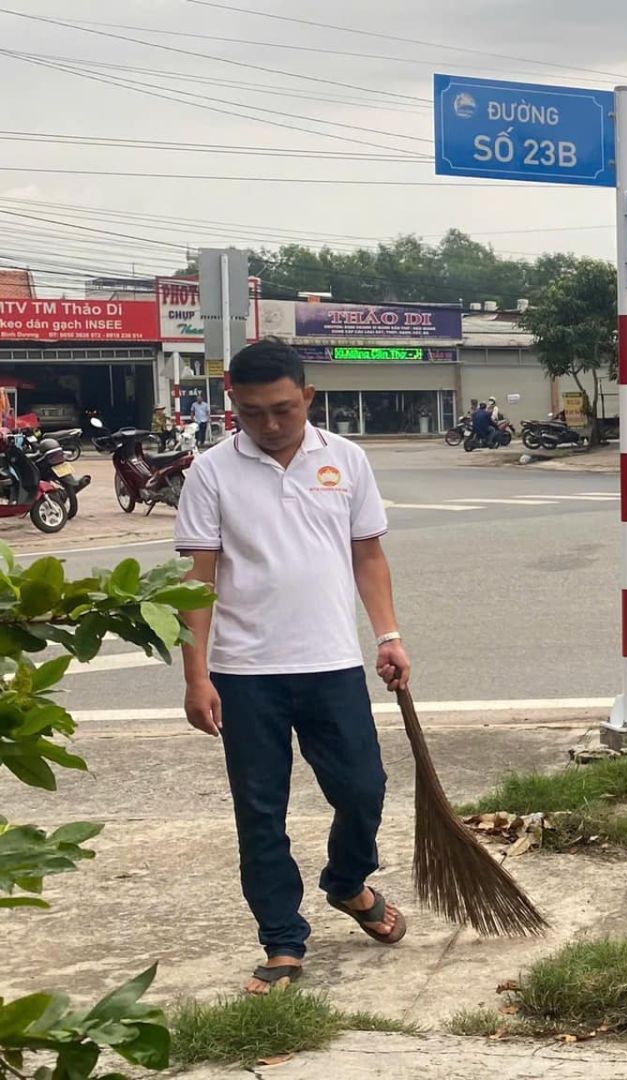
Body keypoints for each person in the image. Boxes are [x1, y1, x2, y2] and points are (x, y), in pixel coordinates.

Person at [173, 340, 409, 995]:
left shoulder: (347, 460)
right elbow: (197, 579)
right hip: (245, 675)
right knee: (260, 813)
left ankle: (347, 882)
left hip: (332, 663)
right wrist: (196, 677)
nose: (270, 424)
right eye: (253, 413)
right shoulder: (211, 473)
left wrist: (388, 634)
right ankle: (282, 941)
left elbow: (368, 555)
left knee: (364, 789)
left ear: (307, 398)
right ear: (233, 405)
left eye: (283, 409)